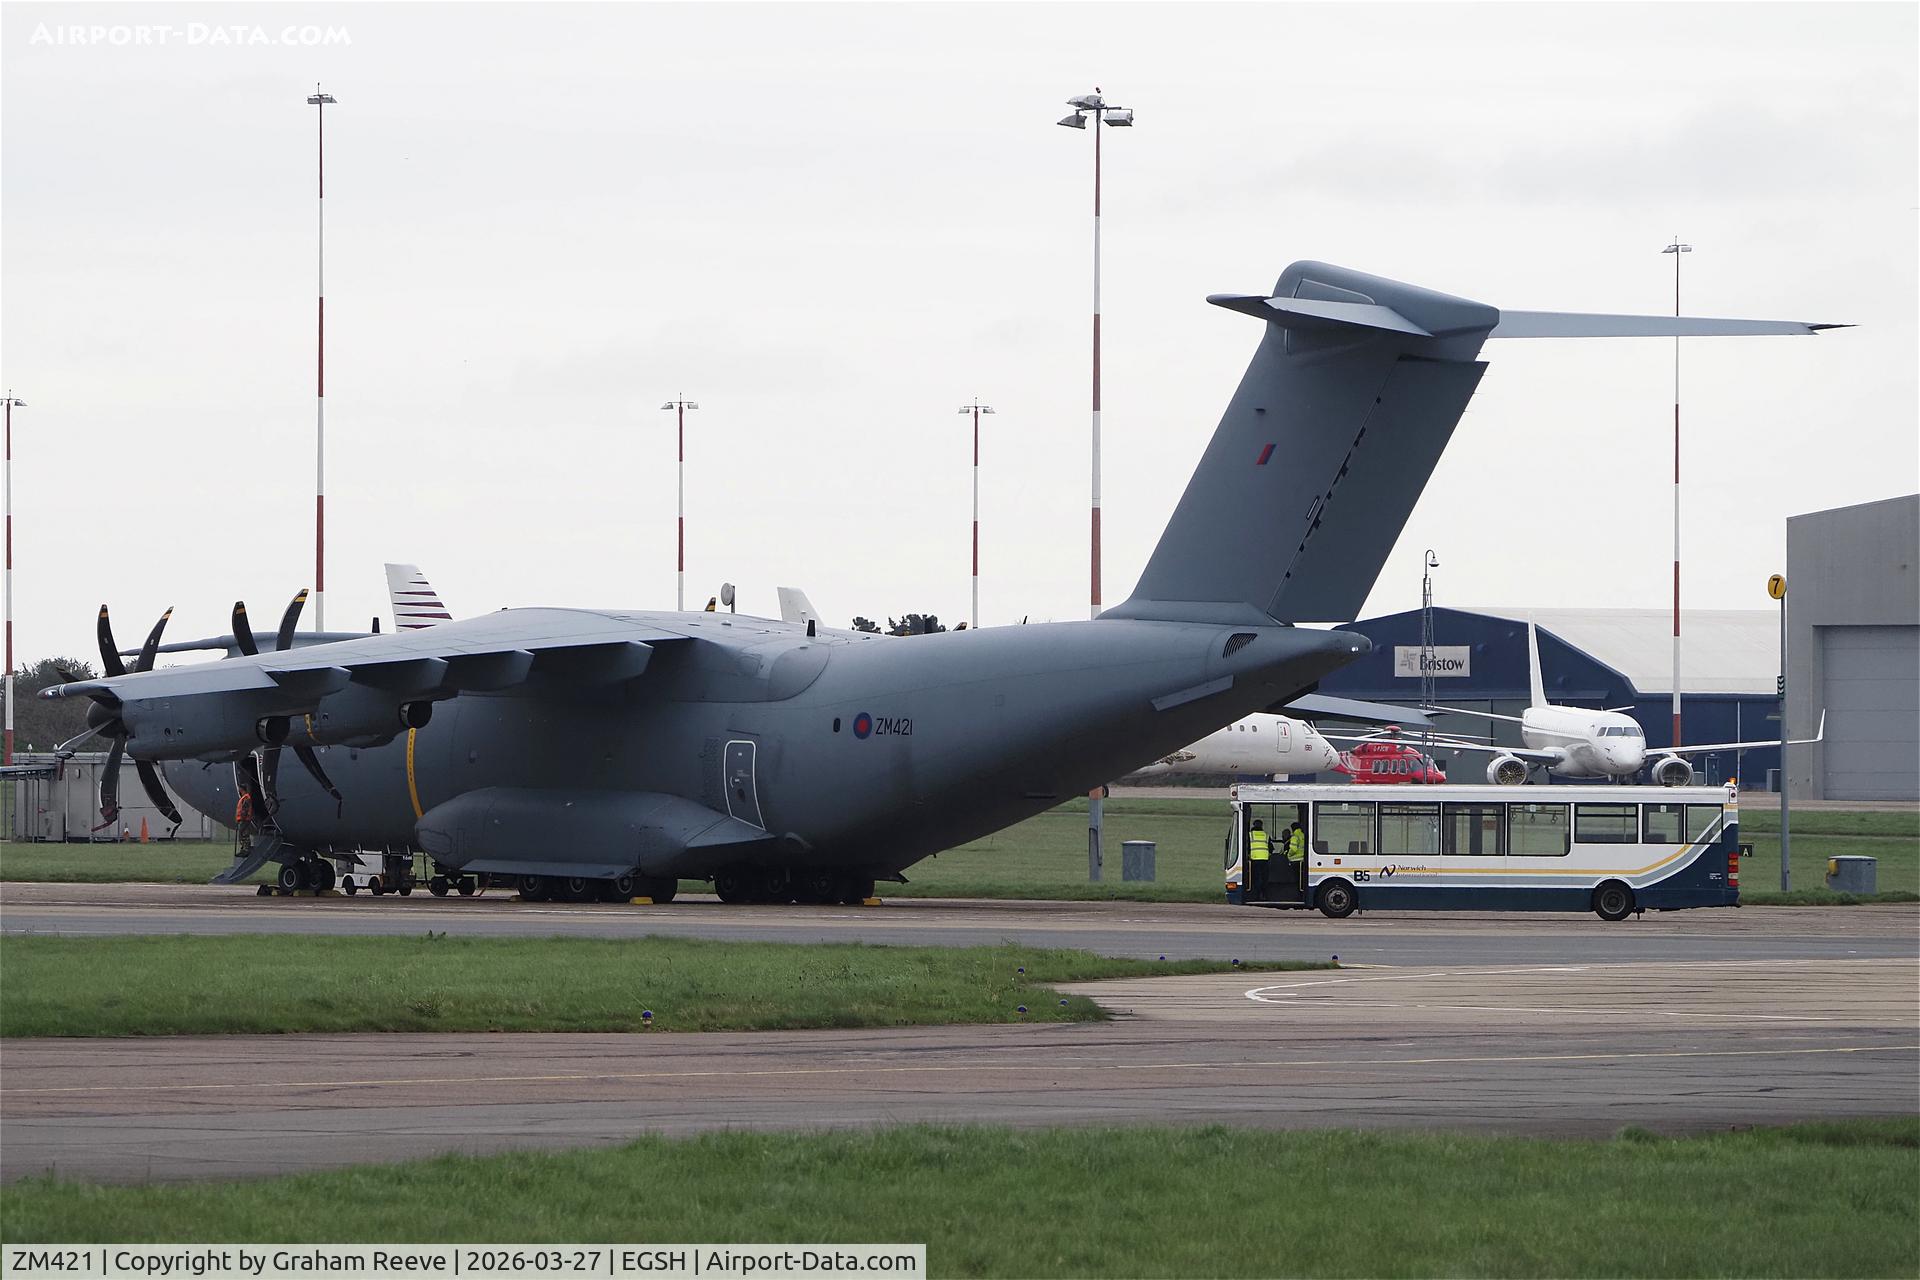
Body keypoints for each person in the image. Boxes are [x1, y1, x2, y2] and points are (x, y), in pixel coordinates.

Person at [1247, 819, 1271, 898]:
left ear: (1253, 825)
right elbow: (1271, 848)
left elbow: (1246, 847)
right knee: (1265, 878)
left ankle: (1256, 895)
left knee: (1256, 878)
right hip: (1265, 860)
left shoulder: (1250, 835)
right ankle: (1265, 895)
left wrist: (1248, 855)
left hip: (1254, 859)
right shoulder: (1266, 835)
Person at [1285, 820, 1308, 896]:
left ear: (1292, 829)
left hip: (1295, 861)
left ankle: (1296, 894)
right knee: (1301, 879)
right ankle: (1301, 893)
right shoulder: (1303, 835)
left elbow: (1293, 849)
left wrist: (1288, 855)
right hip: (1303, 860)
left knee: (1295, 879)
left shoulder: (1295, 837)